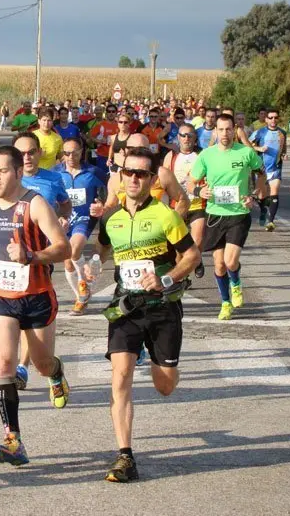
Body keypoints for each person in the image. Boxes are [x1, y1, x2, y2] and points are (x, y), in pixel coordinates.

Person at [89, 147, 200, 483]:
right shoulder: (111, 218)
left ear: (152, 180)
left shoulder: (167, 216)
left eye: (141, 174)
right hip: (127, 307)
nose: (134, 178)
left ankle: (159, 358)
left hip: (163, 307)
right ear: (121, 177)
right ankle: (125, 456)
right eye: (128, 172)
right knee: (120, 373)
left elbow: (192, 256)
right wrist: (93, 266)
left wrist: (166, 279)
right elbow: (104, 249)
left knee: (164, 385)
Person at [0, 145, 71, 467]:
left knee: (41, 363)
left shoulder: (35, 204)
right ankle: (13, 439)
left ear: (17, 172)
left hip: (36, 295)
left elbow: (63, 247)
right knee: (4, 365)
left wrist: (31, 256)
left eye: (2, 171)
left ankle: (56, 374)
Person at [11, 133, 72, 388]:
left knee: (31, 311)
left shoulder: (52, 179)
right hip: (9, 259)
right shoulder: (3, 180)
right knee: (16, 312)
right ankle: (22, 365)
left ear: (39, 153)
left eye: (32, 151)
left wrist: (62, 220)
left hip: (39, 256)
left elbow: (65, 205)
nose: (27, 157)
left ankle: (26, 365)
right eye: (21, 153)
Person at [189, 114, 265, 321]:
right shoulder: (206, 155)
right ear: (215, 131)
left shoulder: (246, 153)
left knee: (231, 262)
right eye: (221, 130)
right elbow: (191, 182)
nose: (225, 133)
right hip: (214, 215)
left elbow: (261, 173)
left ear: (235, 130)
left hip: (239, 214)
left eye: (228, 129)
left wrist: (254, 195)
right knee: (219, 264)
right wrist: (199, 192)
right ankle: (225, 302)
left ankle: (236, 284)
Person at [53, 137, 106, 315]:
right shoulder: (56, 173)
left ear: (81, 152)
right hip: (65, 219)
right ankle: (80, 297)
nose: (70, 156)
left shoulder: (94, 172)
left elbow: (108, 191)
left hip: (84, 218)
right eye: (66, 153)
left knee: (74, 249)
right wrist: (58, 215)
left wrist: (101, 204)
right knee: (67, 263)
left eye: (74, 152)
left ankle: (83, 281)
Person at [165, 124, 206, 278]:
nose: (186, 138)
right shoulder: (171, 156)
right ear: (178, 138)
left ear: (195, 137)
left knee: (198, 240)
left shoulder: (202, 155)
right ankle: (182, 277)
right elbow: (163, 179)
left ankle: (197, 258)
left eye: (189, 135)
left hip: (197, 203)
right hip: (178, 204)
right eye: (183, 135)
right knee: (179, 249)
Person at [250, 108, 287, 231]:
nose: (273, 120)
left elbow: (283, 149)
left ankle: (271, 221)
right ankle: (263, 211)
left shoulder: (282, 133)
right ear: (266, 119)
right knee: (262, 196)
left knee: (274, 192)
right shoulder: (260, 132)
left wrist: (283, 155)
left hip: (275, 167)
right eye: (270, 117)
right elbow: (248, 145)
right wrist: (259, 149)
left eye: (276, 117)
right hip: (261, 169)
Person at [88, 104, 119, 174]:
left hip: (116, 157)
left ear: (116, 113)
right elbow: (90, 136)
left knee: (114, 178)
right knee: (102, 177)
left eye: (113, 111)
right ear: (106, 113)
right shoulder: (101, 124)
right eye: (109, 111)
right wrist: (99, 141)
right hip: (102, 156)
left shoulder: (119, 125)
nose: (111, 113)